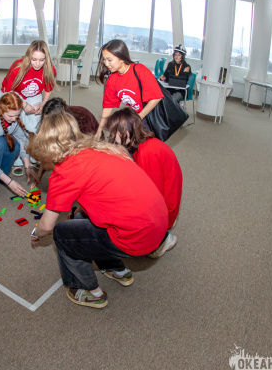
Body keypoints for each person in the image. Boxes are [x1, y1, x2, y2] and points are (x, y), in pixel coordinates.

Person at [28, 110, 176, 309]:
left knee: (62, 234)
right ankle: (117, 270)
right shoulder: (101, 149)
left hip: (139, 237)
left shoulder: (64, 172)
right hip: (158, 224)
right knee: (81, 219)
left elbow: (46, 226)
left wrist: (36, 233)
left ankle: (88, 290)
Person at [106, 107, 182, 231]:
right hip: (164, 201)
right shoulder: (144, 143)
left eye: (114, 132)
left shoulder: (148, 153)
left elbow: (152, 196)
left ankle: (163, 237)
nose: (112, 137)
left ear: (127, 131)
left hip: (162, 213)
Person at [1, 40, 56, 176]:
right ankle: (18, 160)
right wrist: (23, 104)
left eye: (41, 60)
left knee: (35, 126)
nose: (37, 63)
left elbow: (48, 87)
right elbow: (8, 93)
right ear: (28, 57)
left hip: (34, 95)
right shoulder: (17, 68)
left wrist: (43, 103)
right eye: (34, 59)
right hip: (15, 94)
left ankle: (33, 156)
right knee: (17, 126)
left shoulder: (49, 68)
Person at [95, 39, 163, 139]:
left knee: (146, 144)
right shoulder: (112, 80)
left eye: (109, 60)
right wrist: (99, 129)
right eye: (104, 60)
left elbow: (156, 97)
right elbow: (108, 106)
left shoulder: (139, 70)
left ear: (121, 58)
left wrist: (138, 119)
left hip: (148, 114)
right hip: (134, 116)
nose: (106, 64)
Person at [30, 97, 99, 188]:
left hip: (91, 143)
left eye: (50, 122)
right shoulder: (53, 123)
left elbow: (87, 151)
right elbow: (47, 149)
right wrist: (38, 176)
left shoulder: (81, 122)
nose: (47, 125)